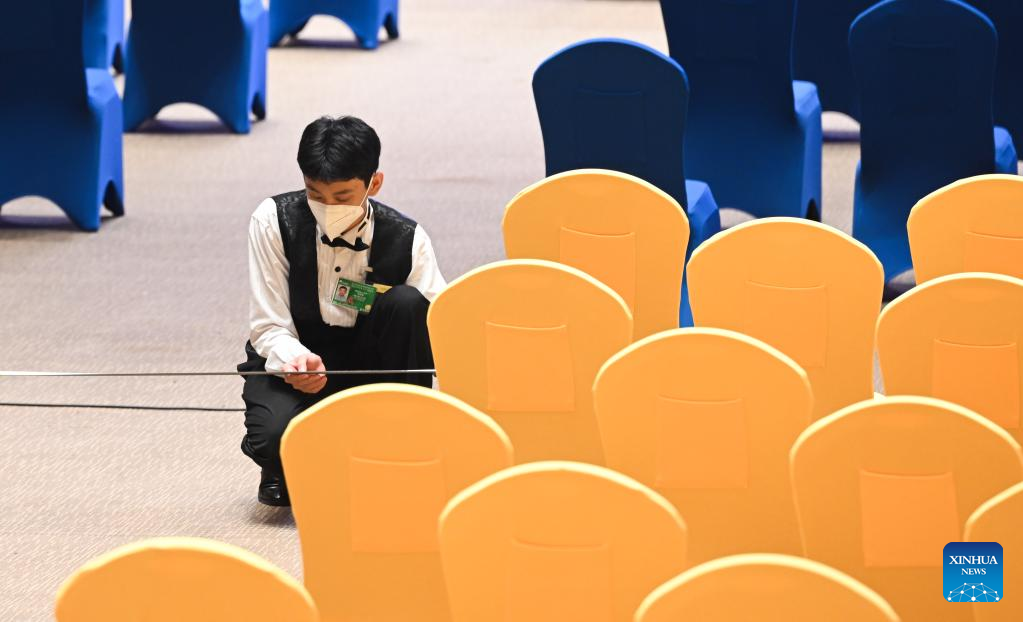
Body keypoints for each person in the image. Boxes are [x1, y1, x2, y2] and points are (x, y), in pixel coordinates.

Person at [239, 116, 446, 506]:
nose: (327, 207)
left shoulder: (408, 238)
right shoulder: (272, 220)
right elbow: (267, 325)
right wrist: (295, 362)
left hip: (373, 363)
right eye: (315, 194)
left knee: (408, 304)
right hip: (298, 357)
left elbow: (439, 325)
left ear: (374, 184)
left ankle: (402, 449)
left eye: (342, 196)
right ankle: (283, 466)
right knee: (273, 438)